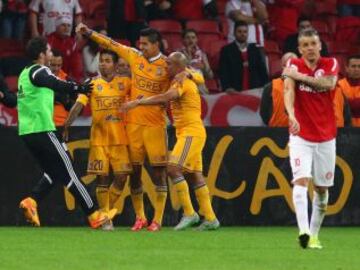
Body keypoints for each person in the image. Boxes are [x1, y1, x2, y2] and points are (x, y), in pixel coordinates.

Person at [76, 23, 204, 231]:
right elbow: (111, 43)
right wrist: (89, 33)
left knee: (159, 174)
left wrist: (189, 74)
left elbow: (199, 76)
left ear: (155, 45)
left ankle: (158, 220)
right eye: (140, 43)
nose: (141, 47)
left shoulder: (168, 64)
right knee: (134, 173)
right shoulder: (134, 56)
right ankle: (140, 217)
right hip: (133, 125)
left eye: (145, 44)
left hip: (155, 125)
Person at [17, 36, 116, 228]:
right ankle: (94, 214)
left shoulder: (23, 74)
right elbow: (53, 82)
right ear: (40, 55)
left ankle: (31, 201)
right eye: (47, 51)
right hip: (43, 130)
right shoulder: (39, 70)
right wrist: (78, 88)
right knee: (69, 172)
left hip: (27, 133)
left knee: (54, 172)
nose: (50, 54)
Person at [122, 52, 220, 231]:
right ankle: (211, 218)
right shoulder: (185, 76)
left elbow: (167, 97)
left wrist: (138, 103)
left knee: (173, 168)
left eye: (169, 65)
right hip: (189, 132)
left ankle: (190, 213)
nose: (165, 67)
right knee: (194, 175)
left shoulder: (180, 81)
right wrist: (191, 73)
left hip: (191, 132)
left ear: (178, 67)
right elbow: (198, 77)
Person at [282, 28, 339, 249]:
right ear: (299, 49)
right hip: (301, 135)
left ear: (320, 45)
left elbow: (328, 84)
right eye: (305, 45)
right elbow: (288, 90)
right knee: (300, 181)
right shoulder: (294, 65)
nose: (309, 48)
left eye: (313, 44)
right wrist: (292, 115)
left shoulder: (330, 63)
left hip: (326, 136)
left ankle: (314, 235)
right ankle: (303, 232)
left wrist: (300, 77)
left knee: (322, 191)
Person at [64, 50, 132, 231]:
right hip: (99, 140)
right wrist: (67, 125)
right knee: (102, 178)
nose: (103, 64)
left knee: (121, 177)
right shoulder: (91, 84)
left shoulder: (125, 83)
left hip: (120, 139)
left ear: (115, 65)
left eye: (107, 61)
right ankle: (106, 219)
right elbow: (78, 105)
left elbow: (140, 98)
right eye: (101, 61)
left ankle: (103, 212)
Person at [261, 52, 351, 127]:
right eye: (286, 66)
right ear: (282, 68)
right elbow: (264, 114)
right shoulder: (271, 87)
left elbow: (346, 116)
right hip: (278, 135)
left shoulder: (311, 86)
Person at [219, 21, 268, 93]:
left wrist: (265, 86)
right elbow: (223, 71)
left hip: (255, 90)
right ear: (234, 33)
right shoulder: (226, 50)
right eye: (239, 31)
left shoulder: (255, 50)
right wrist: (227, 87)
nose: (242, 34)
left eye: (245, 32)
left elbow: (262, 70)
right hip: (234, 91)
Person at [47, 15, 83, 82]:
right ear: (57, 26)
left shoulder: (72, 43)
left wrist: (77, 82)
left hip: (65, 79)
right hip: (49, 78)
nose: (66, 28)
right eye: (63, 25)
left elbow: (76, 66)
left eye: (69, 25)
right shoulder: (49, 41)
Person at [48, 49, 75, 126]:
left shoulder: (68, 81)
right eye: (53, 65)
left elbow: (75, 106)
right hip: (43, 124)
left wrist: (66, 102)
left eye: (59, 65)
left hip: (61, 124)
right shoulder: (39, 78)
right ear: (48, 63)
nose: (56, 69)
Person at [337, 55, 360, 127]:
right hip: (346, 129)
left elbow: (346, 106)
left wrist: (348, 102)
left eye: (359, 66)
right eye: (353, 66)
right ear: (347, 68)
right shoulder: (339, 85)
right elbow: (340, 109)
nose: (357, 69)